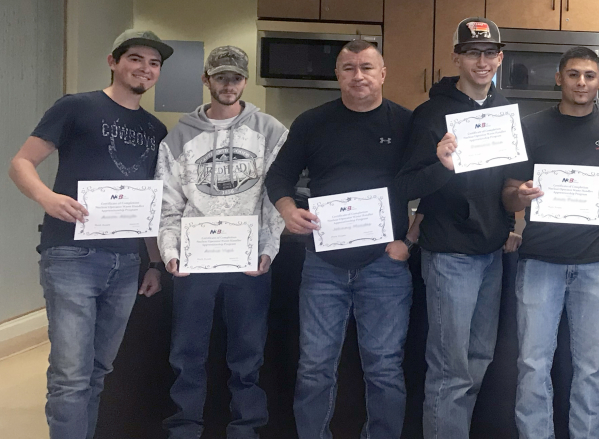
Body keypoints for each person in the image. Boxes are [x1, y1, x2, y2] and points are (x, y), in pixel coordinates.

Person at [8, 29, 170, 439]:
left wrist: (152, 261)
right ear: (114, 62)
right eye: (135, 58)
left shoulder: (155, 129)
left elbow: (148, 204)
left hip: (127, 261)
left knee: (99, 371)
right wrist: (48, 198)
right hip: (72, 257)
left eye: (154, 63)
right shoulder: (77, 107)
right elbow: (21, 163)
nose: (145, 69)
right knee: (71, 375)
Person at [262, 40, 417, 439]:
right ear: (337, 75)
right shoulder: (312, 122)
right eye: (348, 68)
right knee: (315, 367)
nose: (358, 76)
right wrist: (286, 209)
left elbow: (434, 185)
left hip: (385, 264)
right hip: (323, 265)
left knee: (384, 367)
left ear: (382, 73)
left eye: (366, 67)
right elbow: (279, 176)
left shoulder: (406, 123)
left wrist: (410, 241)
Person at [156, 46, 288, 439]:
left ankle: (245, 429)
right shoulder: (177, 137)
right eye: (220, 77)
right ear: (206, 80)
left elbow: (276, 200)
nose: (228, 85)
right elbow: (168, 203)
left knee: (248, 355)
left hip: (250, 263)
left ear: (245, 81)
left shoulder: (272, 131)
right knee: (186, 353)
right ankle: (184, 427)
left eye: (235, 78)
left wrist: (268, 249)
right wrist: (171, 253)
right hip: (195, 265)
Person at [503, 47, 599, 438]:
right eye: (573, 74)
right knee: (532, 365)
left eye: (590, 76)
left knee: (592, 368)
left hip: (597, 263)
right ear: (559, 78)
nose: (581, 82)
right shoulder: (530, 127)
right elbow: (508, 193)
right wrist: (519, 198)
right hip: (540, 261)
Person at [395, 17, 513, 438]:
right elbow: (406, 184)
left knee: (478, 360)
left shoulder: (505, 113)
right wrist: (442, 166)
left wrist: (516, 212)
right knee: (450, 371)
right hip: (449, 256)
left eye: (489, 53)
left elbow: (508, 184)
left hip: (492, 255)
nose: (481, 61)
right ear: (457, 58)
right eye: (472, 53)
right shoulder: (431, 114)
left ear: (499, 59)